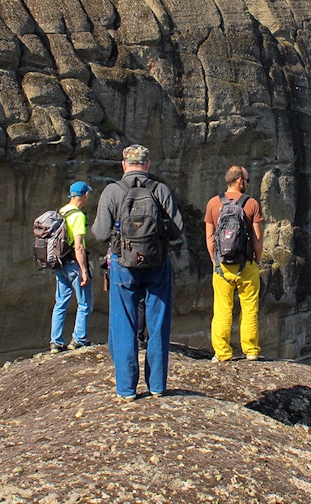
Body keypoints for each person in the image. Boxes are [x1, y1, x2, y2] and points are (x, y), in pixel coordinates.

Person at [92, 144, 183, 401]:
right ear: (147, 164)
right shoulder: (160, 189)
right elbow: (176, 230)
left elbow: (100, 233)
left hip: (123, 264)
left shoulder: (112, 191)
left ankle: (127, 389)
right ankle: (157, 386)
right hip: (157, 264)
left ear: (124, 164)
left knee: (124, 323)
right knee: (158, 324)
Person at [204, 165, 264, 362]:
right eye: (247, 179)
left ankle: (222, 352)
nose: (248, 183)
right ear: (239, 180)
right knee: (249, 307)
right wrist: (257, 259)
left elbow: (210, 236)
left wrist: (214, 259)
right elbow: (257, 237)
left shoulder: (213, 203)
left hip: (222, 264)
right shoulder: (251, 204)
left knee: (222, 308)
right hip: (246, 264)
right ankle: (251, 350)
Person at [50, 181, 93, 353]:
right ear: (84, 195)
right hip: (74, 264)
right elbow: (79, 246)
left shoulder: (60, 212)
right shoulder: (78, 216)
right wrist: (84, 271)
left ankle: (56, 342)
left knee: (60, 302)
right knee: (84, 303)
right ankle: (79, 340)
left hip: (59, 263)